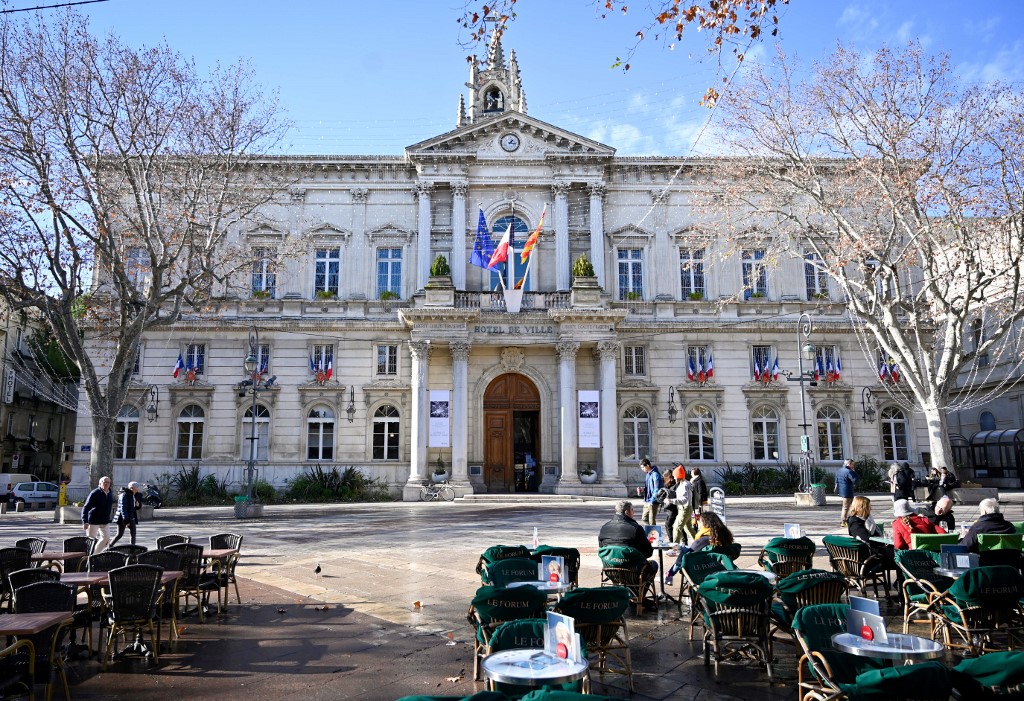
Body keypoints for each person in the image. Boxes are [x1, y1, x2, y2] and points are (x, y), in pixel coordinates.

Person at [665, 511, 734, 585]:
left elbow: (690, 553)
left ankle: (669, 575)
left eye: (699, 521)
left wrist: (680, 549)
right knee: (685, 549)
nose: (698, 523)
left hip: (699, 569)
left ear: (705, 524)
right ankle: (669, 575)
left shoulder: (703, 539)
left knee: (684, 551)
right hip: (719, 567)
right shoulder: (723, 536)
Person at [598, 500, 657, 578]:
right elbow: (648, 552)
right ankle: (638, 590)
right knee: (654, 565)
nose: (634, 512)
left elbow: (601, 547)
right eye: (632, 510)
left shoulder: (604, 527)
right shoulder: (635, 528)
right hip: (632, 573)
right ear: (627, 512)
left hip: (610, 570)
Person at [81, 475, 114, 553]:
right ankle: (87, 557)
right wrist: (85, 521)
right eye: (104, 482)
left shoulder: (110, 493)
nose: (106, 484)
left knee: (106, 538)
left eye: (108, 482)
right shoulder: (95, 493)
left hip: (105, 521)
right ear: (100, 483)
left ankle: (95, 554)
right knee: (91, 540)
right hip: (93, 521)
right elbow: (86, 507)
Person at [109, 481, 141, 547]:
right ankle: (109, 546)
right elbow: (123, 509)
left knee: (133, 534)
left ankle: (132, 549)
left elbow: (135, 507)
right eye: (135, 489)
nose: (136, 491)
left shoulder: (135, 495)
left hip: (132, 516)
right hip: (122, 517)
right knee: (119, 534)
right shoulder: (124, 495)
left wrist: (138, 505)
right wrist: (126, 520)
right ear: (131, 488)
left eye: (137, 489)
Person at [670, 465, 693, 545]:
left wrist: (671, 501)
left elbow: (684, 499)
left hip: (685, 508)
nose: (674, 478)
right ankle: (699, 543)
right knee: (688, 528)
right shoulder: (683, 484)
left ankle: (674, 547)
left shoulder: (684, 485)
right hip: (685, 508)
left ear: (679, 476)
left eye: (675, 476)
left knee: (676, 527)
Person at [638, 458, 664, 526]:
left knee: (652, 521)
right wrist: (643, 489)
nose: (642, 469)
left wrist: (652, 500)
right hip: (647, 500)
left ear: (647, 465)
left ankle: (654, 535)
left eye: (643, 467)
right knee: (644, 518)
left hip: (653, 501)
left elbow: (657, 488)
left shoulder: (655, 474)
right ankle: (652, 532)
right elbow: (649, 487)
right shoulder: (648, 474)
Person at [835, 459, 858, 527]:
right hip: (848, 491)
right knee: (847, 507)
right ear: (849, 464)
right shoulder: (849, 471)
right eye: (852, 464)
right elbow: (855, 480)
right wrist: (854, 472)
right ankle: (844, 521)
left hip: (842, 491)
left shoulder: (839, 471)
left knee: (846, 506)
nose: (853, 466)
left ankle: (846, 521)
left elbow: (836, 481)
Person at [661, 470, 678, 541]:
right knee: (672, 525)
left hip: (673, 508)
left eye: (664, 477)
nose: (663, 479)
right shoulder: (669, 484)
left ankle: (672, 541)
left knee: (668, 525)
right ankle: (673, 540)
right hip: (670, 508)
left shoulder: (674, 485)